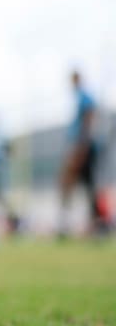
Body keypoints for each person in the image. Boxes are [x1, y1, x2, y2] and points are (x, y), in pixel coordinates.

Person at [59, 70, 103, 236]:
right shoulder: (79, 97)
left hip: (83, 148)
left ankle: (94, 223)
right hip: (80, 146)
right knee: (85, 185)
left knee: (74, 183)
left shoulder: (85, 97)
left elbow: (88, 122)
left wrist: (81, 149)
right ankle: (91, 223)